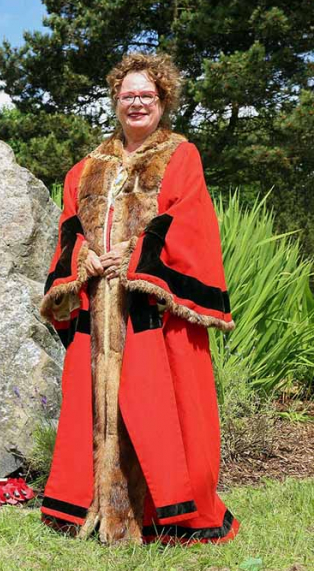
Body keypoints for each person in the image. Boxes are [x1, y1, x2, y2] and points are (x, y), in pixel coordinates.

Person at [37, 53, 238, 545]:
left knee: (153, 408)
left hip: (148, 313)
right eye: (128, 95)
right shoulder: (86, 168)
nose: (137, 103)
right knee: (96, 408)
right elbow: (68, 228)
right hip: (97, 315)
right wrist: (82, 256)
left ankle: (160, 517)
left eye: (146, 94)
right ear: (115, 100)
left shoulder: (180, 155)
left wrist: (134, 254)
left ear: (163, 99)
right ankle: (91, 509)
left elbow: (189, 223)